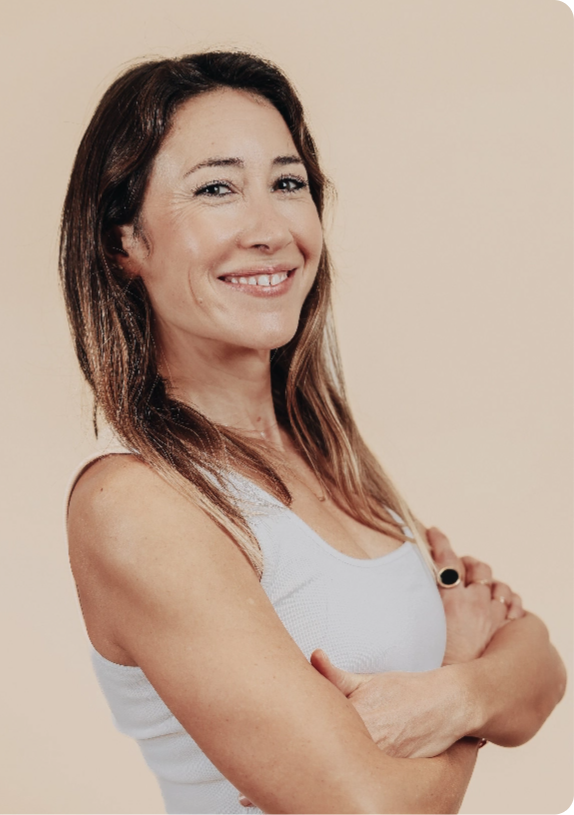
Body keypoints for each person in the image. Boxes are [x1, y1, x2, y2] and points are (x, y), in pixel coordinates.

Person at [61, 51, 566, 815]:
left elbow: (540, 669)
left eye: (288, 183)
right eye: (217, 188)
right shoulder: (135, 504)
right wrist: (467, 677)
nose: (270, 228)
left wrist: (452, 693)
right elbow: (368, 808)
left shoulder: (335, 457)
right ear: (124, 241)